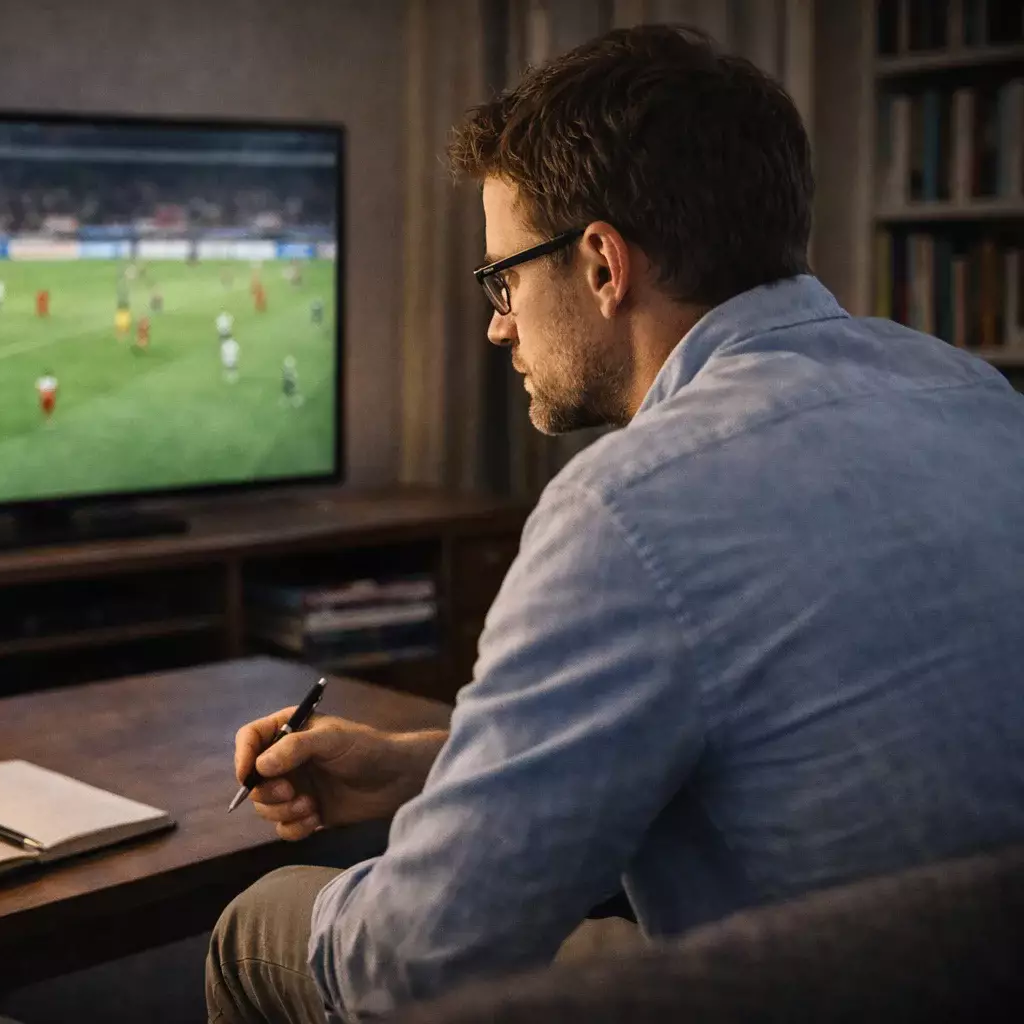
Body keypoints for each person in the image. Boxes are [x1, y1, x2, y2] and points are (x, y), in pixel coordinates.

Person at [207, 25, 1024, 1024]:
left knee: (261, 924)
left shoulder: (630, 505)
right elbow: (770, 718)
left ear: (601, 263)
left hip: (767, 986)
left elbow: (410, 967)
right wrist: (427, 767)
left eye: (504, 277)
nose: (499, 322)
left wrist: (389, 881)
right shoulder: (975, 395)